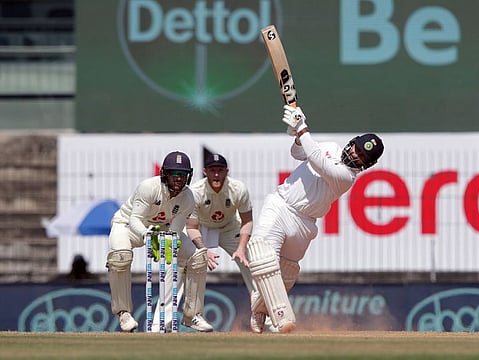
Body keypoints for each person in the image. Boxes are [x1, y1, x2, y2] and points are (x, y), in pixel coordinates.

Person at [247, 105, 384, 334]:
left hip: (305, 223)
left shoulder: (346, 178)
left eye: (362, 157)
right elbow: (299, 154)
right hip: (281, 206)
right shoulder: (330, 146)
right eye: (356, 149)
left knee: (287, 271)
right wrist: (297, 137)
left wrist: (302, 127)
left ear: (366, 164)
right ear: (352, 143)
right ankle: (278, 317)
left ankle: (260, 310)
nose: (355, 155)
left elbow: (319, 162)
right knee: (263, 256)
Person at [152, 153, 254, 332]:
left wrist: (241, 248)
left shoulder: (236, 189)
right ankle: (161, 323)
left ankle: (265, 316)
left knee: (253, 262)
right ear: (205, 172)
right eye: (212, 170)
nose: (216, 175)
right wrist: (203, 250)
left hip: (229, 227)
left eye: (220, 170)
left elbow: (247, 220)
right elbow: (191, 226)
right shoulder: (193, 192)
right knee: (176, 265)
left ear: (226, 172)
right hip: (200, 228)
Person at [106, 150, 196, 332]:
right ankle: (123, 312)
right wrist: (149, 237)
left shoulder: (188, 197)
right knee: (120, 256)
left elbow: (175, 232)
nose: (179, 179)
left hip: (160, 228)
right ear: (165, 174)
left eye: (183, 175)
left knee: (195, 257)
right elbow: (134, 219)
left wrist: (167, 246)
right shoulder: (148, 187)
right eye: (175, 174)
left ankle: (193, 314)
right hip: (127, 226)